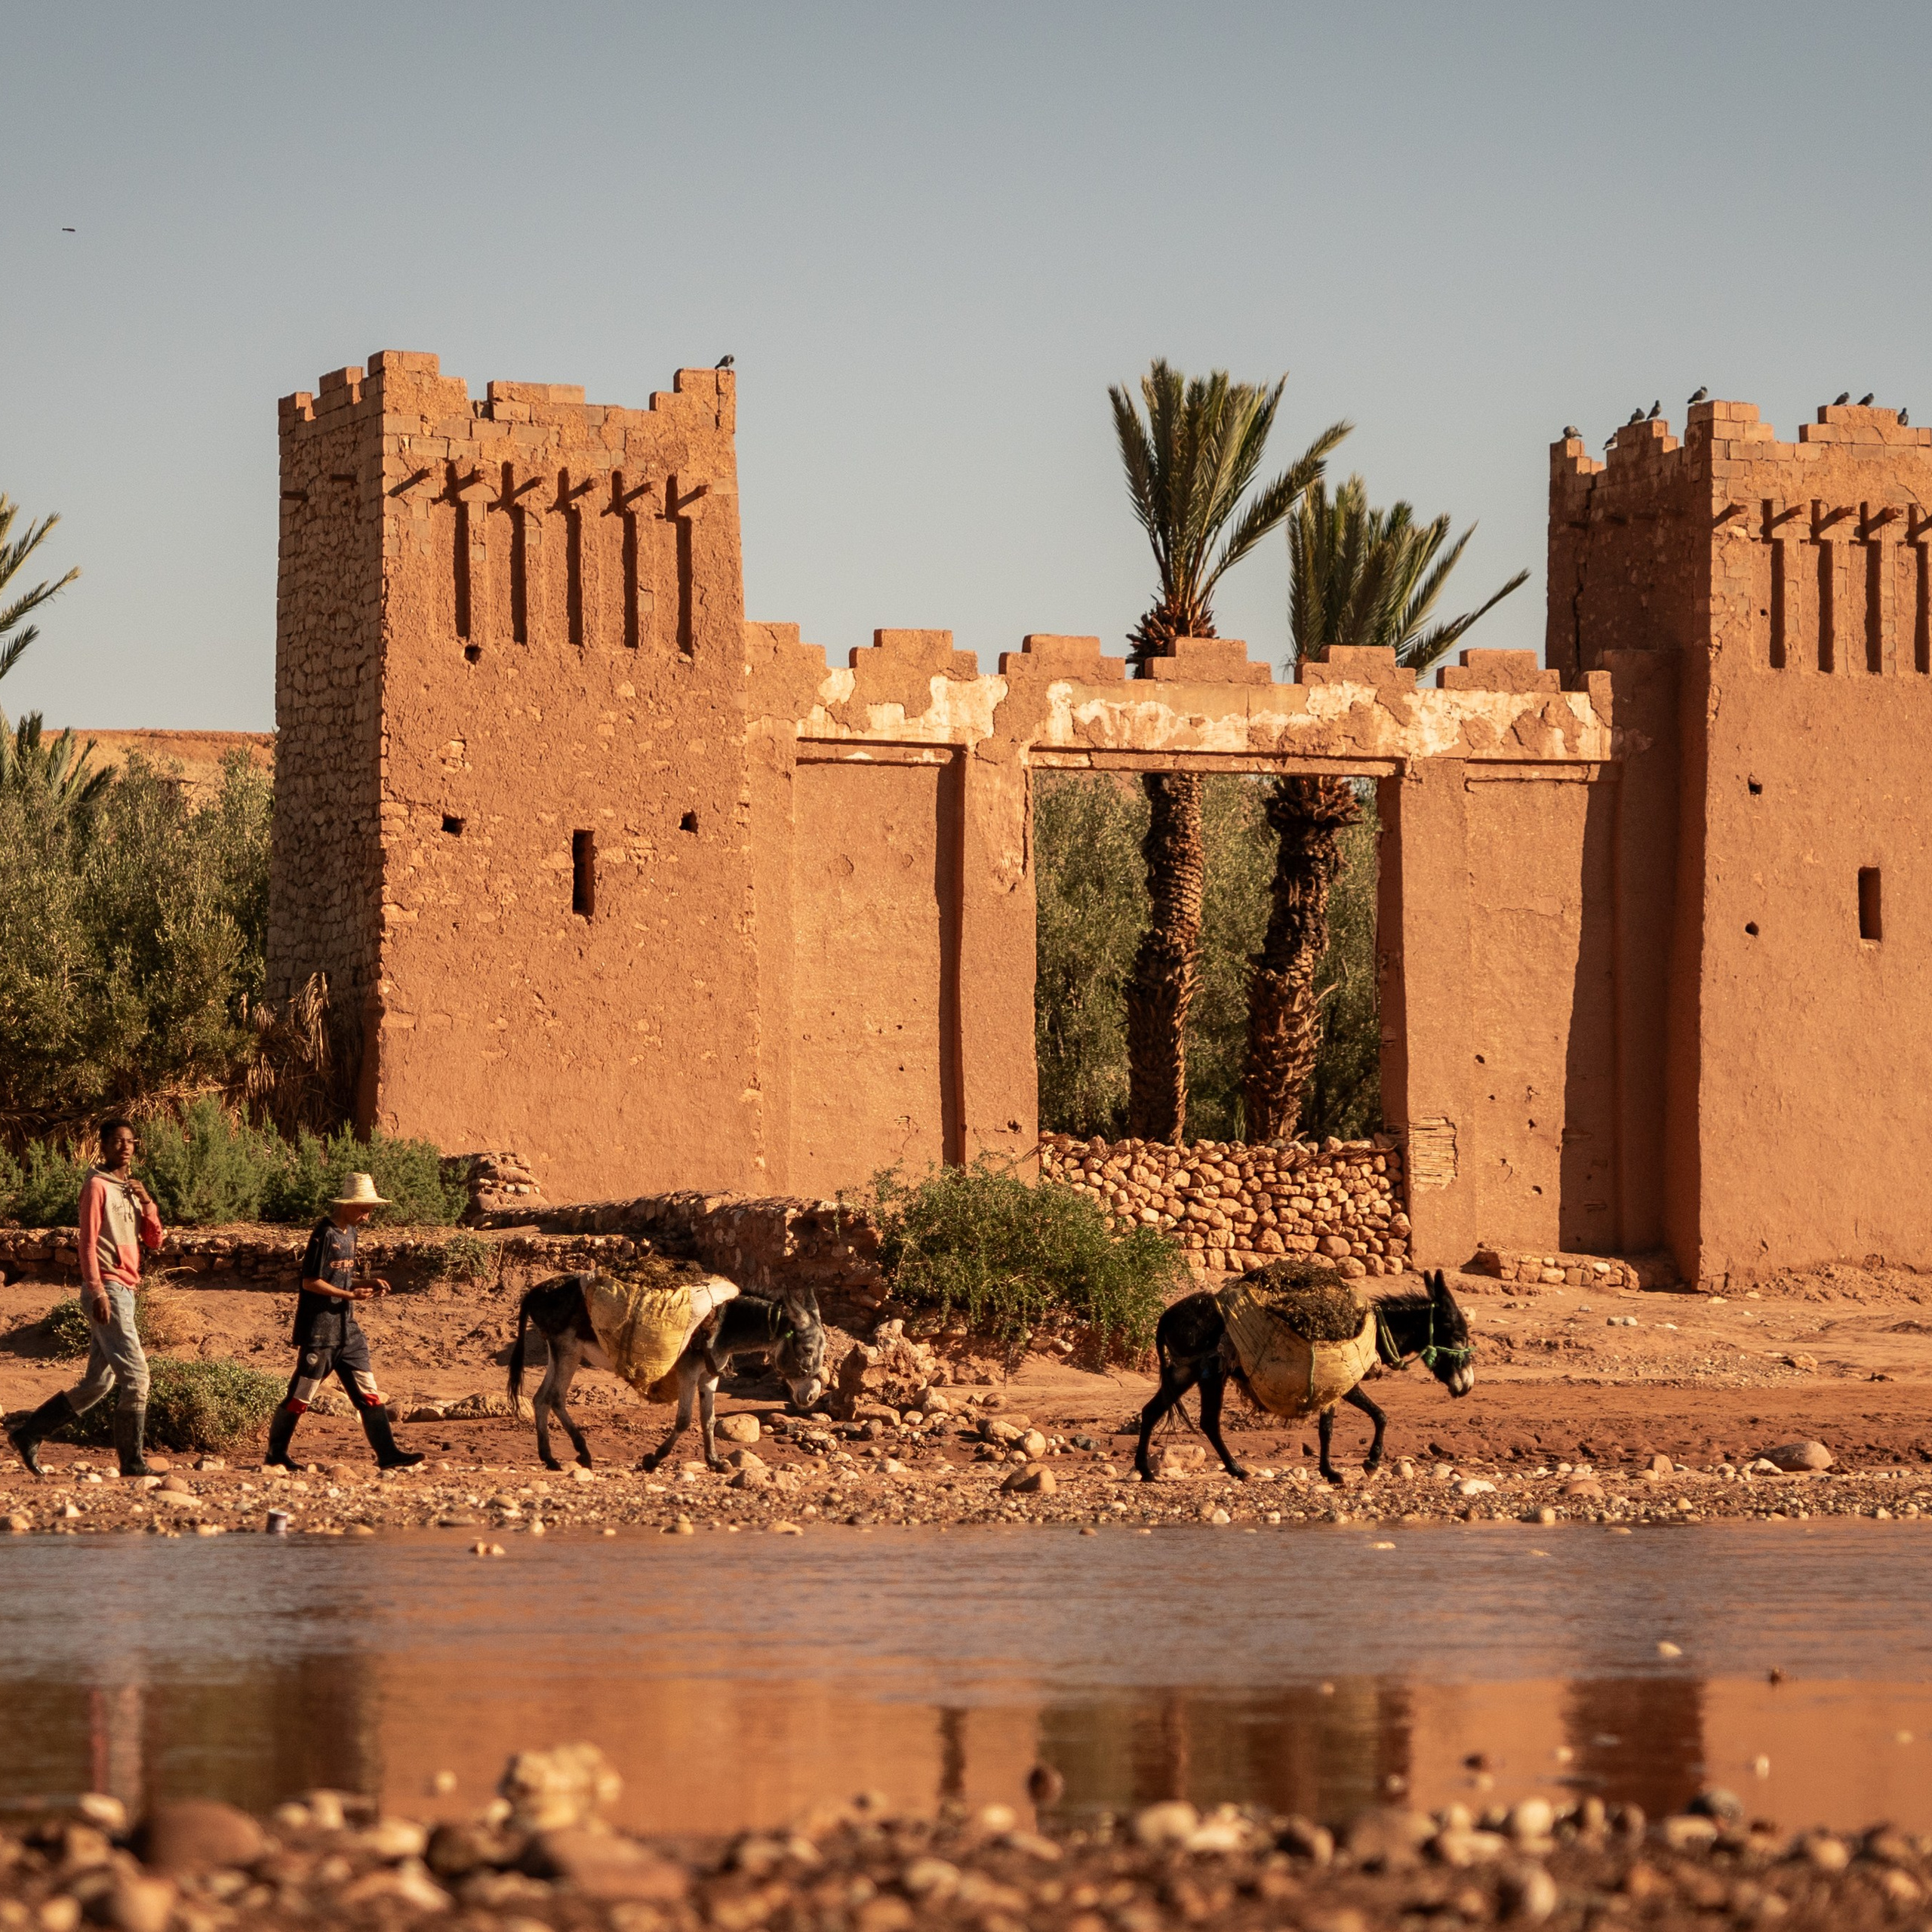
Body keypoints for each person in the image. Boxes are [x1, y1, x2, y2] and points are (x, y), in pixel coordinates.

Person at [6, 1119, 165, 1477]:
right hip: (108, 1289)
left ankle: (29, 1433)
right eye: (116, 1141)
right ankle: (133, 1463)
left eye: (130, 1141)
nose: (124, 1147)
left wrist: (148, 1203)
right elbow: (87, 1244)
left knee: (98, 1383)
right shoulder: (96, 1186)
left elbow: (155, 1242)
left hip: (127, 1288)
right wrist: (96, 1290)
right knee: (137, 1378)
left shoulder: (131, 1189)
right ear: (104, 1146)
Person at [265, 1173, 423, 1471]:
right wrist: (349, 1295)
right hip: (320, 1333)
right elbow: (311, 1282)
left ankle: (388, 1454)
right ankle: (276, 1454)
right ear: (347, 1205)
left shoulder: (350, 1233)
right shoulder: (324, 1235)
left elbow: (342, 1277)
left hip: (347, 1332)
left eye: (370, 1210)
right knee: (302, 1396)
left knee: (369, 1392)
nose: (367, 1216)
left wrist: (368, 1281)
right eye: (364, 1209)